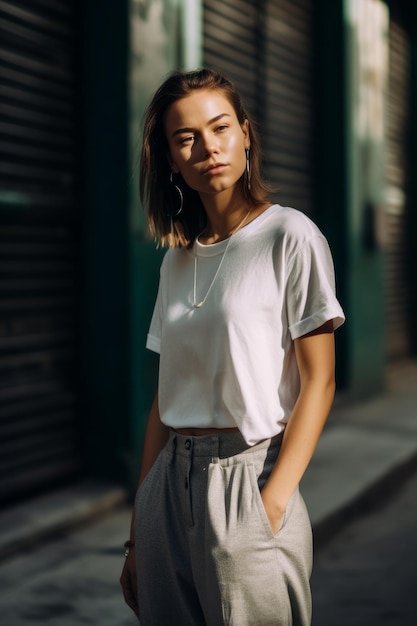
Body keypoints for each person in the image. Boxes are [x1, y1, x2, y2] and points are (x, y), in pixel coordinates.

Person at [120, 68, 345, 626]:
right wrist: (136, 529)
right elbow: (163, 400)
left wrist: (271, 504)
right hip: (167, 488)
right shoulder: (176, 260)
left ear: (245, 133)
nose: (207, 147)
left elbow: (320, 380)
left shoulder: (290, 235)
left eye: (220, 127)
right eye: (185, 137)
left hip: (249, 477)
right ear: (171, 159)